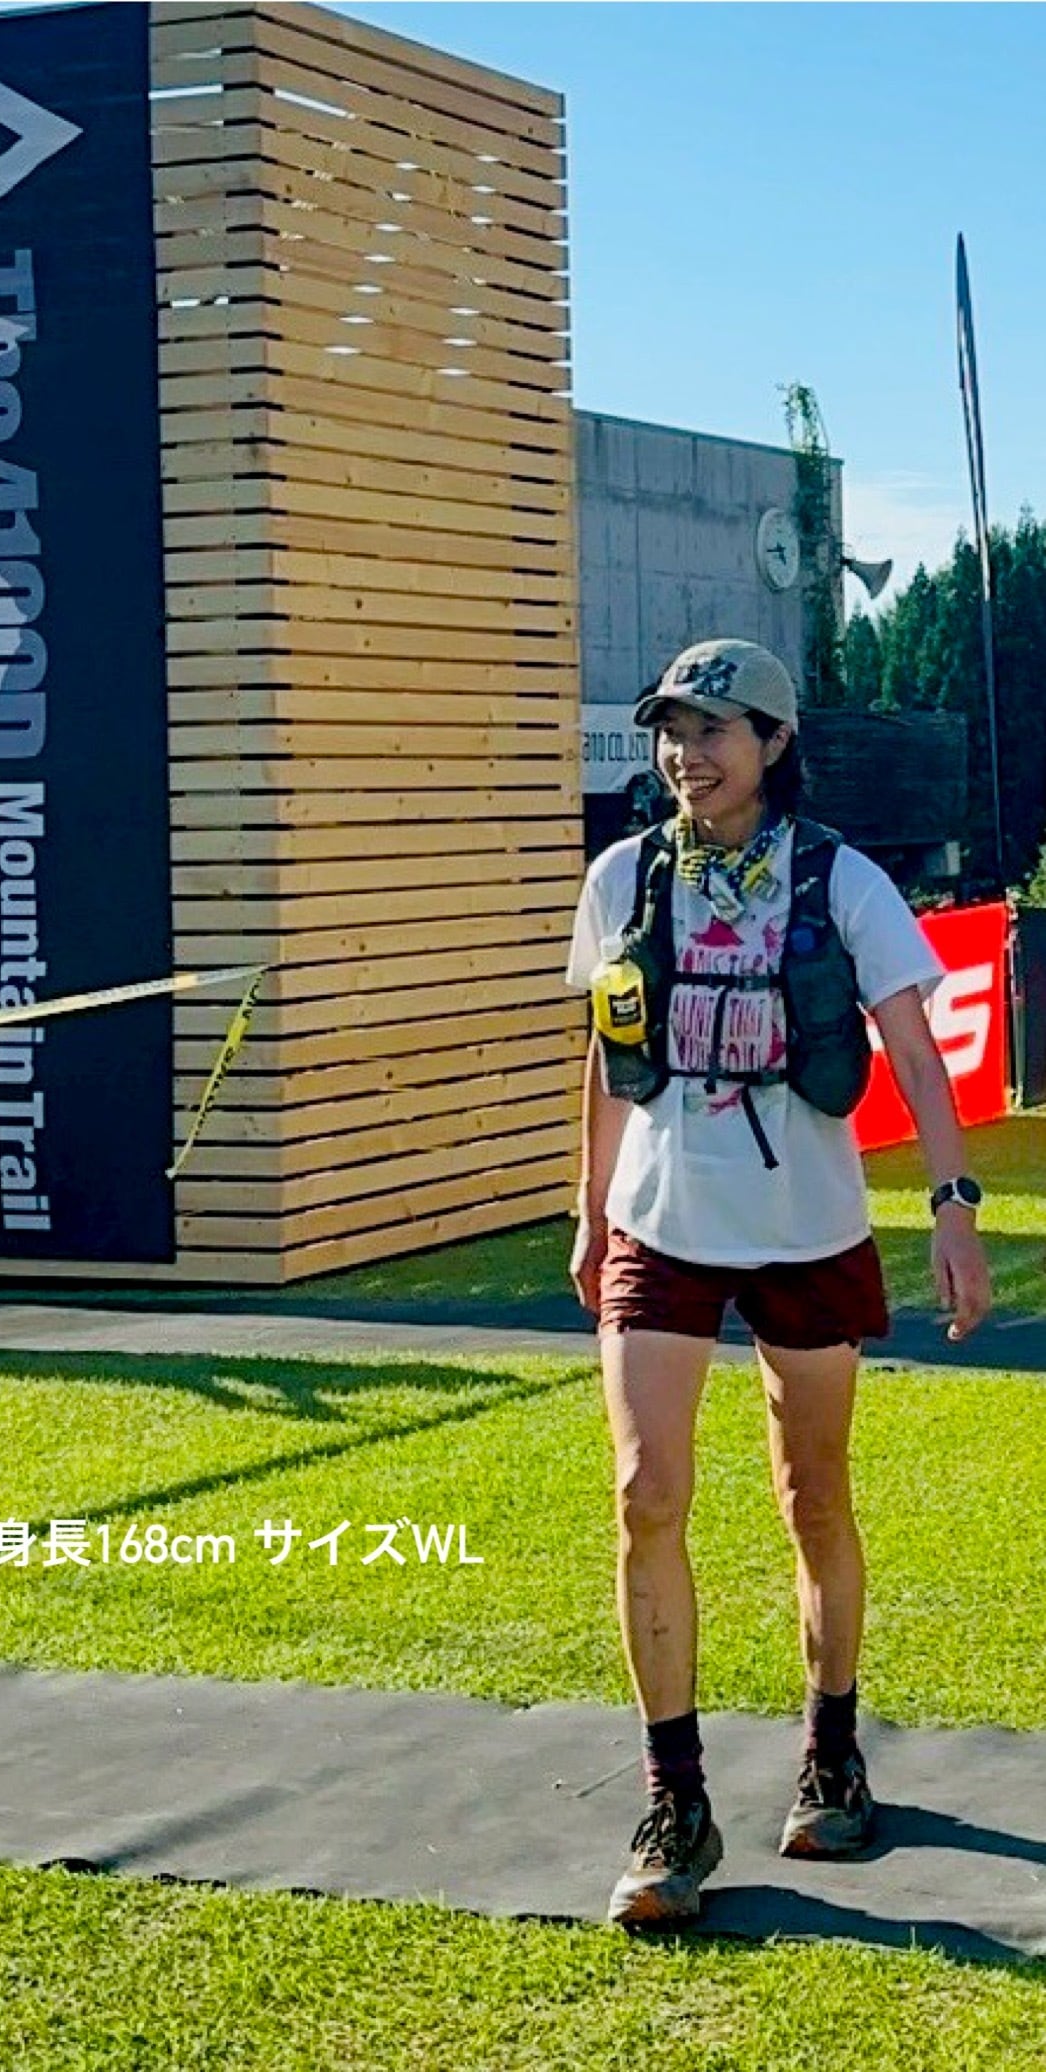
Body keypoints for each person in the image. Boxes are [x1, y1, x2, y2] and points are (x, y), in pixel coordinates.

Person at [565, 637, 992, 1930]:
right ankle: (674, 1801)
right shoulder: (624, 876)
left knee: (813, 1497)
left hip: (808, 1227)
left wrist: (953, 1207)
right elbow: (605, 1050)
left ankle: (831, 1753)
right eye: (670, 730)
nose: (684, 754)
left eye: (712, 730)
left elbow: (912, 1051)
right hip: (661, 1223)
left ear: (773, 741)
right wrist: (589, 1210)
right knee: (644, 1494)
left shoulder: (842, 878)